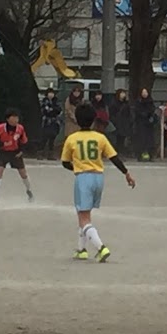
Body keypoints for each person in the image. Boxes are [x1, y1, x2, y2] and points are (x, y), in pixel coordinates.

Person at [61, 101, 135, 262]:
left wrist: (77, 168)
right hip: (98, 178)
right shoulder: (100, 138)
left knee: (83, 217)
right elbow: (114, 157)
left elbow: (65, 162)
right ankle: (81, 249)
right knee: (85, 214)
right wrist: (126, 173)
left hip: (83, 178)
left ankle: (101, 247)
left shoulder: (72, 139)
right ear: (94, 120)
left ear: (77, 120)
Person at [0, 108, 33, 202]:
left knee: (23, 174)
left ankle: (29, 191)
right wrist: (1, 145)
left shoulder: (20, 128)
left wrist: (21, 151)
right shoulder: (0, 128)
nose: (16, 120)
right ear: (8, 119)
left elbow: (24, 141)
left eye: (17, 117)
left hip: (15, 153)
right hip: (4, 153)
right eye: (13, 117)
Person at [135, 88, 160, 161]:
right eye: (143, 92)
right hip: (141, 123)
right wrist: (144, 114)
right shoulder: (138, 101)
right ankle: (140, 155)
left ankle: (151, 155)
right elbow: (137, 111)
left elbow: (153, 110)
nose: (144, 94)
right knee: (142, 140)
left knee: (150, 140)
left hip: (149, 124)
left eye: (146, 92)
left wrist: (151, 116)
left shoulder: (150, 101)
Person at [39, 87, 64, 160]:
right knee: (44, 138)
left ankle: (51, 154)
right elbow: (44, 111)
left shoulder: (56, 101)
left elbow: (58, 110)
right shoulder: (44, 101)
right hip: (46, 122)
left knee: (52, 138)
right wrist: (51, 110)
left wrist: (52, 109)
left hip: (54, 122)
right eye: (49, 93)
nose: (51, 95)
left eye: (52, 93)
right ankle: (40, 153)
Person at [110, 88, 134, 155]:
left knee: (123, 138)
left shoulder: (126, 103)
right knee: (118, 138)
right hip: (118, 123)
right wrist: (115, 121)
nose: (123, 95)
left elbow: (129, 113)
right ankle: (118, 152)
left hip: (125, 123)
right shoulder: (114, 103)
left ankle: (121, 152)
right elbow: (112, 113)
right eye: (122, 93)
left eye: (124, 93)